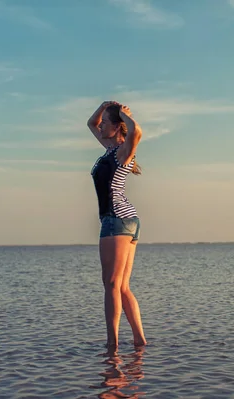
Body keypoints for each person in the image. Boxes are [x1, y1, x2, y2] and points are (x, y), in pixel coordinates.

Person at [87, 100, 147, 349]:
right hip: (125, 221)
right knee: (120, 286)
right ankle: (139, 342)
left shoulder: (122, 150)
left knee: (111, 284)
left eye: (106, 124)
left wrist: (124, 114)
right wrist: (103, 106)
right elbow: (91, 123)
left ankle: (112, 344)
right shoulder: (109, 148)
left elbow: (138, 132)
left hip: (116, 220)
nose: (100, 127)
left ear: (117, 127)